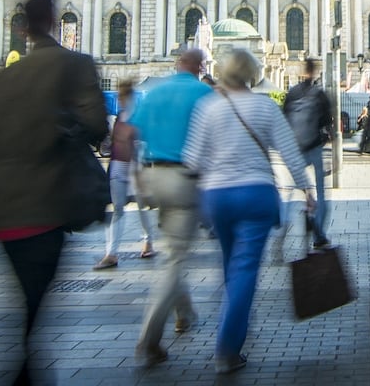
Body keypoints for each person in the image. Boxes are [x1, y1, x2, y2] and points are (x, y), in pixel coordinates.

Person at [0, 0, 107, 385]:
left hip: (3, 204)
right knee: (36, 290)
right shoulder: (75, 66)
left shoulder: (4, 77)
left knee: (25, 289)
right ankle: (25, 365)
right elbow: (96, 128)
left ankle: (22, 361)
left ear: (22, 28)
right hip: (51, 197)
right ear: (55, 22)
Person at [183, 48, 315, 375]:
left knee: (230, 265)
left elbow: (192, 160)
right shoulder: (263, 105)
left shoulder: (208, 106)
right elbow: (289, 152)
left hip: (217, 198)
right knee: (244, 270)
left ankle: (232, 322)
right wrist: (306, 188)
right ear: (252, 72)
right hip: (256, 195)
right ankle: (227, 348)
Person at [131, 48, 213, 368]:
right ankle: (148, 341)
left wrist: (137, 176)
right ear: (200, 66)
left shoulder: (154, 91)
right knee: (174, 258)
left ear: (178, 63)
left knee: (172, 248)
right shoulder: (204, 94)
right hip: (183, 178)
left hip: (153, 177)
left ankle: (184, 312)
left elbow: (127, 132)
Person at [94, 79, 157, 269]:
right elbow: (112, 143)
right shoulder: (119, 117)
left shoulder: (138, 117)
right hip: (117, 167)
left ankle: (148, 241)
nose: (120, 99)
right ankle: (111, 253)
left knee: (141, 207)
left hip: (134, 168)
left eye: (123, 95)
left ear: (129, 96)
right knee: (117, 209)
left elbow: (143, 144)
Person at [282, 58, 332, 247]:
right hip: (314, 148)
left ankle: (283, 224)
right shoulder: (319, 94)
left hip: (296, 149)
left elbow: (284, 119)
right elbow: (327, 123)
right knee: (321, 191)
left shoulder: (292, 92)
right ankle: (319, 233)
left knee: (292, 191)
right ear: (316, 71)